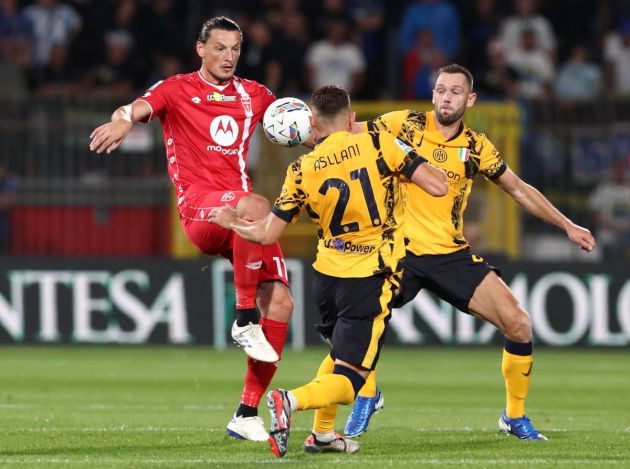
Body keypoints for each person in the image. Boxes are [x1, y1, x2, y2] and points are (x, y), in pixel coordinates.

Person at [343, 63, 596, 441]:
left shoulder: (476, 147)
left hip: (448, 253)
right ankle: (367, 393)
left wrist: (568, 225)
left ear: (470, 99)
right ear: (433, 94)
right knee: (352, 313)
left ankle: (514, 416)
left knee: (519, 323)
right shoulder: (403, 124)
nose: (446, 97)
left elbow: (519, 190)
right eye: (441, 90)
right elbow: (348, 133)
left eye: (455, 91)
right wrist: (311, 127)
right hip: (396, 251)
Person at [208, 84, 448, 457]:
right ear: (352, 118)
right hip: (370, 274)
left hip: (327, 278)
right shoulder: (378, 143)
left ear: (313, 124)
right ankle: (290, 400)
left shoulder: (301, 169)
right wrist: (406, 162)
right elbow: (437, 185)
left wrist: (232, 222)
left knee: (338, 355)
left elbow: (266, 232)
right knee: (351, 378)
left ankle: (322, 436)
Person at [88, 16, 294, 442]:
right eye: (219, 48)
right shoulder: (176, 89)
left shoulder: (254, 95)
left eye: (235, 48)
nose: (228, 56)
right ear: (200, 49)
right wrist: (123, 121)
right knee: (256, 205)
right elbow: (132, 108)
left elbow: (296, 123)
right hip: (200, 209)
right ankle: (242, 317)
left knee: (283, 304)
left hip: (240, 217)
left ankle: (245, 413)